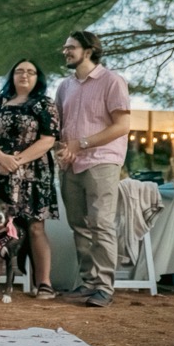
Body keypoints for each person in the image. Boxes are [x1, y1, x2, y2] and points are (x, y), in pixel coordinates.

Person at [55, 31, 131, 308]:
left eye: (71, 47)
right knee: (79, 225)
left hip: (103, 161)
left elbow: (122, 126)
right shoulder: (64, 86)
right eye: (65, 47)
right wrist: (62, 149)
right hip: (71, 165)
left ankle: (104, 287)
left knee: (101, 224)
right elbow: (61, 127)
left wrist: (81, 143)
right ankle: (89, 282)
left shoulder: (112, 81)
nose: (65, 51)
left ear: (88, 51)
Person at [0, 59, 59, 298]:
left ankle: (44, 283)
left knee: (35, 227)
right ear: (11, 76)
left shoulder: (44, 104)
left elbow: (48, 140)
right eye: (19, 71)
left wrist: (17, 161)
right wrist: (3, 159)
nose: (24, 75)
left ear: (38, 78)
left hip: (33, 173)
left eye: (30, 72)